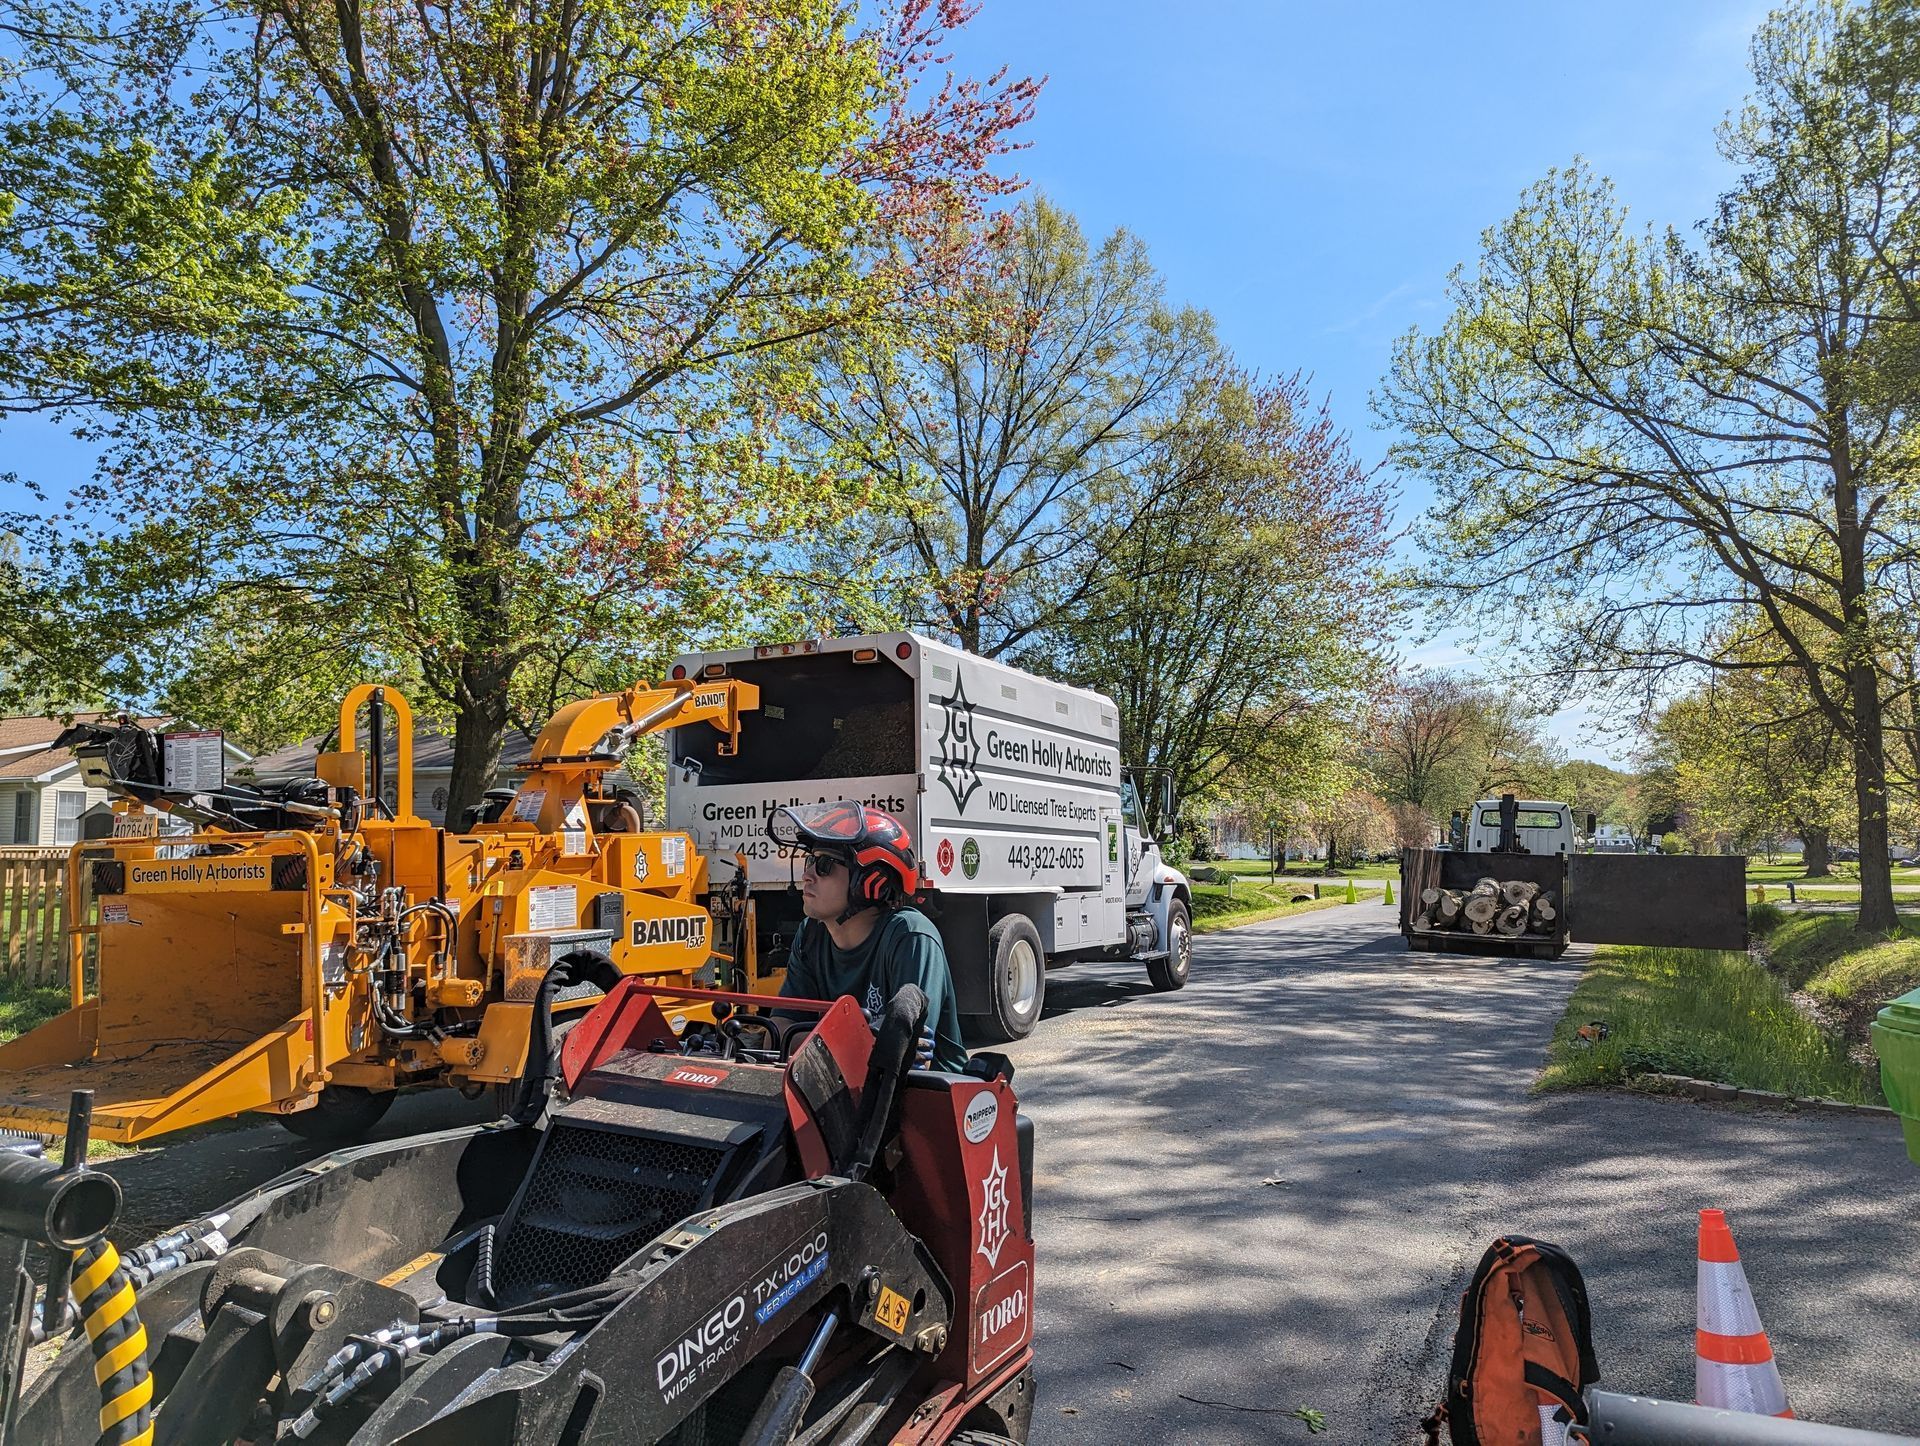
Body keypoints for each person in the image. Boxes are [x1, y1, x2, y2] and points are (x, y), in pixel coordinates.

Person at [769, 801, 968, 1072]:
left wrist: (810, 1044)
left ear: (871, 880)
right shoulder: (811, 933)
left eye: (824, 865)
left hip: (928, 1100)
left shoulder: (910, 936)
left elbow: (908, 1053)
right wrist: (855, 1047)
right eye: (809, 861)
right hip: (835, 1091)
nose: (807, 875)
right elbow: (778, 1031)